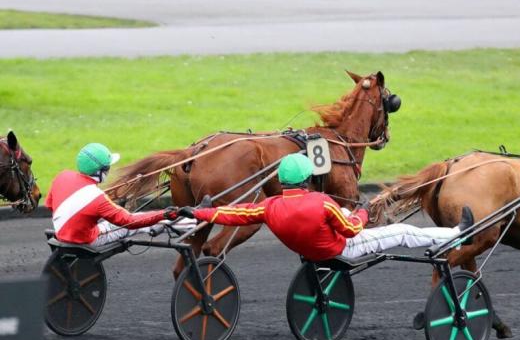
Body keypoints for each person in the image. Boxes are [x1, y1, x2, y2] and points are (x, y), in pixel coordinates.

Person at [177, 153, 473, 261]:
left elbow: (233, 214)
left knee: (343, 214)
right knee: (404, 232)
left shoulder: (269, 206)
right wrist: (366, 212)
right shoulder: (322, 202)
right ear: (308, 178)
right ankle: (455, 235)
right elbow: (353, 229)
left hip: (307, 249)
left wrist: (200, 212)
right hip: (342, 249)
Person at [45, 143, 179, 247]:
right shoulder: (98, 198)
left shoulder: (62, 176)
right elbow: (130, 222)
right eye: (108, 168)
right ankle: (181, 222)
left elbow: (50, 205)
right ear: (100, 172)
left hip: (61, 233)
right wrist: (163, 213)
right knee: (135, 222)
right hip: (87, 241)